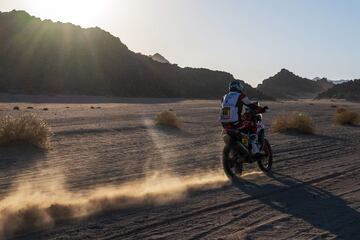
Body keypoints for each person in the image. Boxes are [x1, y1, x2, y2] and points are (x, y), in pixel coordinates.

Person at [219, 80, 267, 156]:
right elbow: (250, 105)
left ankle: (243, 144)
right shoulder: (240, 95)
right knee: (252, 124)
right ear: (238, 87)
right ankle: (255, 149)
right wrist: (261, 109)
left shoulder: (224, 97)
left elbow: (229, 108)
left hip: (224, 124)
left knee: (243, 127)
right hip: (235, 123)